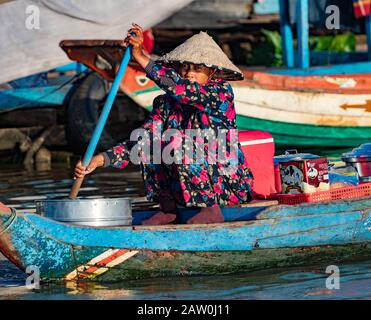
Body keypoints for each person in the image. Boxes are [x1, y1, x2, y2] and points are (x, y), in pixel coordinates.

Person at [74, 23, 254, 225]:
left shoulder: (220, 93)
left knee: (181, 141)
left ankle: (210, 210)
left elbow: (181, 89)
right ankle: (168, 209)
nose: (189, 73)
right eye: (185, 67)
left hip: (225, 185)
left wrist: (141, 56)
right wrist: (99, 160)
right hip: (183, 189)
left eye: (197, 69)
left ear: (211, 73)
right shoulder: (165, 104)